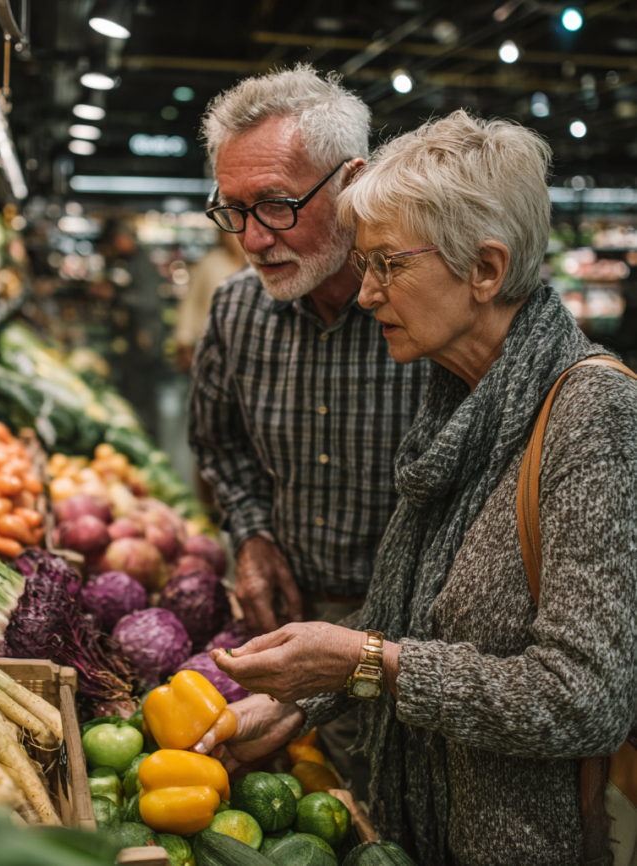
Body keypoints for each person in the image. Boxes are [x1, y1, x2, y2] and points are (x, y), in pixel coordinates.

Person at [195, 111, 637, 866]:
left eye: (388, 266)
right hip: (427, 824)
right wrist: (303, 700)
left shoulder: (594, 415)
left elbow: (583, 696)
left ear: (486, 270)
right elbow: (427, 617)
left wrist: (367, 660)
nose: (365, 295)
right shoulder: (456, 398)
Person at [189, 64, 430, 636]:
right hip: (285, 613)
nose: (252, 239)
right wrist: (250, 536)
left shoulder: (429, 313)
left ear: (352, 180)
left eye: (277, 205)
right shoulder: (237, 309)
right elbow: (217, 443)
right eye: (234, 210)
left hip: (420, 632)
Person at [174, 231, 246, 373]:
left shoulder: (259, 263)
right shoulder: (210, 262)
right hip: (213, 346)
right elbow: (191, 302)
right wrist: (184, 339)